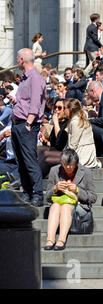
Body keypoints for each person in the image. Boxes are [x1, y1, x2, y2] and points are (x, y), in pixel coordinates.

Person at [10, 48, 47, 206]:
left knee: (30, 161)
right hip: (18, 124)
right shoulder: (25, 79)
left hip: (26, 125)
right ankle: (27, 192)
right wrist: (16, 103)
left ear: (22, 60)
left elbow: (35, 103)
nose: (17, 62)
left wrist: (28, 123)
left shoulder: (35, 78)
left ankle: (37, 194)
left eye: (17, 59)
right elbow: (26, 102)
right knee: (21, 161)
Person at [44, 149, 97, 251]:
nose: (68, 167)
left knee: (66, 206)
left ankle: (61, 240)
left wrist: (77, 190)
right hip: (58, 203)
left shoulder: (86, 172)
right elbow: (47, 197)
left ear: (76, 164)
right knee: (55, 205)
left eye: (71, 165)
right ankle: (50, 239)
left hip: (79, 205)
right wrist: (55, 188)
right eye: (65, 164)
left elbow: (93, 197)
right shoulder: (54, 171)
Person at [65, 98, 101, 169]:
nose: (64, 110)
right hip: (89, 155)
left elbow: (73, 145)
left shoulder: (75, 122)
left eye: (64, 108)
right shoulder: (83, 120)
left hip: (82, 156)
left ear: (70, 109)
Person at [37, 99, 69, 178]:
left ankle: (34, 178)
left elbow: (60, 140)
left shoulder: (68, 123)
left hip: (65, 153)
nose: (56, 110)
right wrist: (45, 141)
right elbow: (53, 144)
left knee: (45, 155)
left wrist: (55, 122)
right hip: (56, 151)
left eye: (59, 108)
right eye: (55, 108)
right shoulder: (58, 123)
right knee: (38, 150)